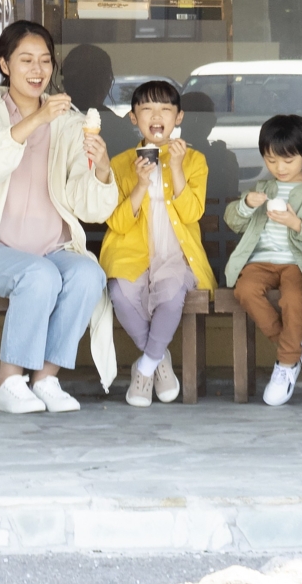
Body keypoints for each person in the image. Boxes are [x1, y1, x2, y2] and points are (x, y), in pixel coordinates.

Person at [0, 21, 120, 415]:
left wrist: (102, 168)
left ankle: (46, 378)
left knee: (89, 275)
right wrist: (35, 121)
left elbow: (83, 201)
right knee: (39, 276)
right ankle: (8, 381)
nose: (37, 70)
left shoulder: (68, 120)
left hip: (52, 246)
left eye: (44, 61)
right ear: (4, 64)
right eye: (26, 60)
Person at [99, 80, 214, 406]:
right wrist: (140, 184)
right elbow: (117, 223)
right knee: (119, 293)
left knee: (172, 293)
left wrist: (175, 168)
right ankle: (159, 358)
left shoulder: (194, 160)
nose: (156, 115)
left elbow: (192, 213)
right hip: (132, 252)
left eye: (165, 108)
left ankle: (145, 367)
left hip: (175, 253)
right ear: (133, 117)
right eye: (146, 108)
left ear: (178, 117)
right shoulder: (122, 164)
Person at [222, 113, 302, 407]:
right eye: (271, 160)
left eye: (288, 160)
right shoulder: (262, 189)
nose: (279, 167)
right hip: (260, 262)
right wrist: (246, 205)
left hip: (297, 264)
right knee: (245, 291)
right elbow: (233, 221)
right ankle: (296, 344)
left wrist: (296, 222)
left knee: (293, 300)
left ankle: (286, 364)